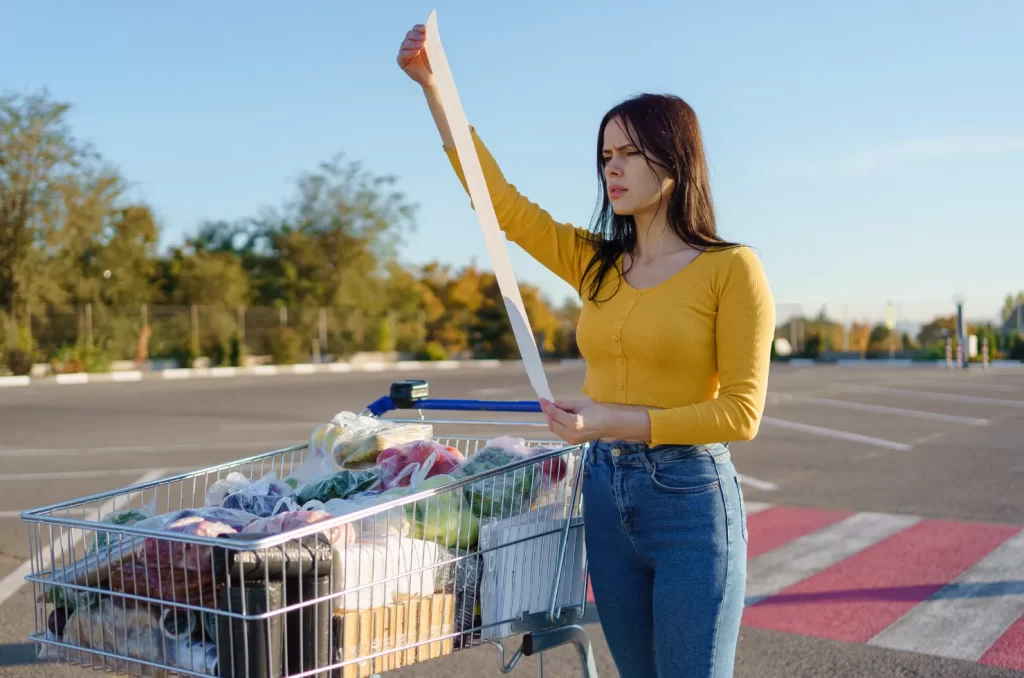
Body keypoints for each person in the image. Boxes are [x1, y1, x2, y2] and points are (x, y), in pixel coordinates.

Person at [398, 23, 775, 678]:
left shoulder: (731, 268)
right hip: (602, 491)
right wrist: (436, 88)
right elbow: (499, 205)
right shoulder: (597, 263)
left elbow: (741, 414)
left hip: (689, 500)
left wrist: (610, 420)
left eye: (630, 153)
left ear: (676, 161)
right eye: (606, 156)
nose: (612, 168)